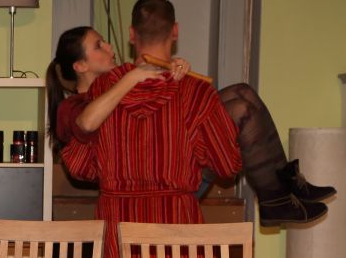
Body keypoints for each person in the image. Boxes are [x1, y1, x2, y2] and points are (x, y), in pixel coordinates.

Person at [52, 0, 244, 258]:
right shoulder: (196, 92)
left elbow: (79, 164)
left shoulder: (101, 91)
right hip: (177, 220)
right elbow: (228, 165)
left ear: (131, 35)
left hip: (122, 221)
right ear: (175, 31)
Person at [47, 25, 335, 227]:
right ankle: (275, 199)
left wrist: (173, 72)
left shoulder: (115, 87)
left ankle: (284, 186)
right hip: (150, 190)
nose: (110, 47)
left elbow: (160, 117)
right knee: (239, 109)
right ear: (80, 66)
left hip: (170, 168)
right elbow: (88, 122)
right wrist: (133, 77)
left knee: (243, 94)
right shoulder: (72, 107)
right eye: (99, 45)